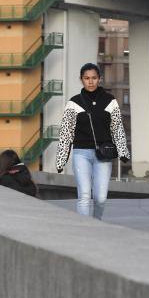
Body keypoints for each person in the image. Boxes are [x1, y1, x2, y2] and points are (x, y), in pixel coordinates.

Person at [55, 63, 130, 220]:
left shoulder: (110, 101)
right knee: (84, 195)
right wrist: (61, 161)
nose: (90, 81)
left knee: (100, 198)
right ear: (81, 79)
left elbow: (117, 128)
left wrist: (123, 152)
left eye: (94, 78)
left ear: (99, 79)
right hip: (81, 153)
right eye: (87, 78)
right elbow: (66, 133)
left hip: (104, 153)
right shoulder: (73, 103)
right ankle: (85, 230)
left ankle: (96, 224)